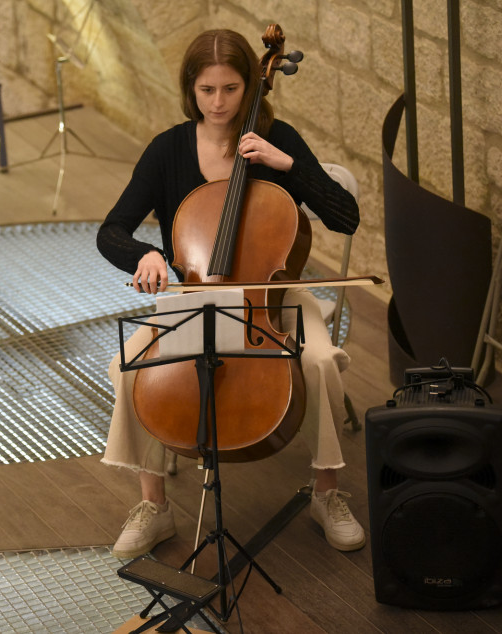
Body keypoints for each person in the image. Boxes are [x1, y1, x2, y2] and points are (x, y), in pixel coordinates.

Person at [96, 29, 365, 559]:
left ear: (250, 86)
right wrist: (145, 254)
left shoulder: (278, 138)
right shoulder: (167, 149)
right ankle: (154, 505)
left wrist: (288, 166)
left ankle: (327, 493)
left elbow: (346, 217)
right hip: (196, 297)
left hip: (273, 301)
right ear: (190, 89)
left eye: (231, 89)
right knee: (126, 366)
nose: (218, 103)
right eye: (207, 90)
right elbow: (112, 231)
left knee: (319, 361)